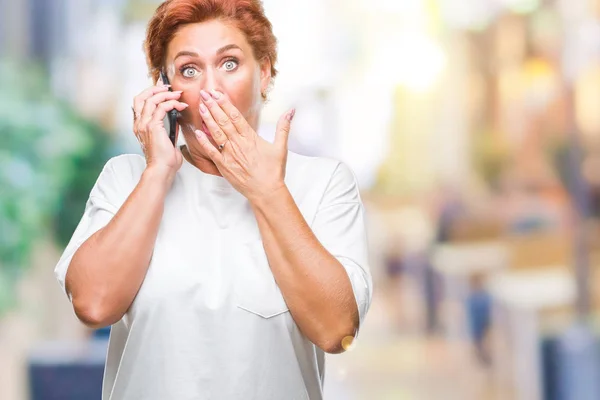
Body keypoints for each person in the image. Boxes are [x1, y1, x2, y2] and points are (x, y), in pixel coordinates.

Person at [53, 0, 373, 399]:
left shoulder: (324, 183)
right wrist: (158, 172)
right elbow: (94, 305)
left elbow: (336, 329)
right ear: (165, 89)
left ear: (265, 73)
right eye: (189, 70)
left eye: (229, 64)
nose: (210, 89)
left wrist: (267, 191)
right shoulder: (126, 180)